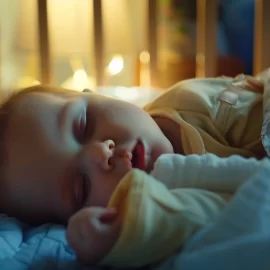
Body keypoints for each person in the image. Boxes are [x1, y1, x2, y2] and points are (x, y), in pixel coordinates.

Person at [0, 72, 267, 228]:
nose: (99, 154)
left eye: (84, 125)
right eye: (81, 188)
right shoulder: (148, 225)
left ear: (98, 94)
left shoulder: (208, 107)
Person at [66, 153, 269, 267]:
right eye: (83, 188)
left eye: (85, 122)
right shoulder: (140, 201)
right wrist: (103, 236)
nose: (103, 152)